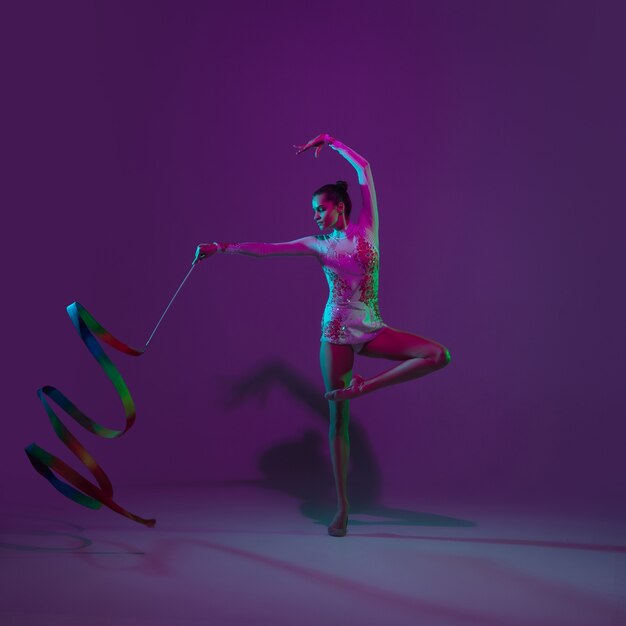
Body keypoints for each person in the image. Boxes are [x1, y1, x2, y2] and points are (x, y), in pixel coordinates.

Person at [194, 133, 451, 537]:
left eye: (320, 209)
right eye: (313, 211)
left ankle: (364, 388)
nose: (315, 215)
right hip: (335, 334)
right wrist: (221, 246)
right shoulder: (318, 245)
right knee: (338, 421)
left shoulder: (368, 227)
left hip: (372, 327)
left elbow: (364, 168)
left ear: (340, 206)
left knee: (438, 355)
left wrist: (331, 141)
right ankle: (343, 507)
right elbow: (267, 249)